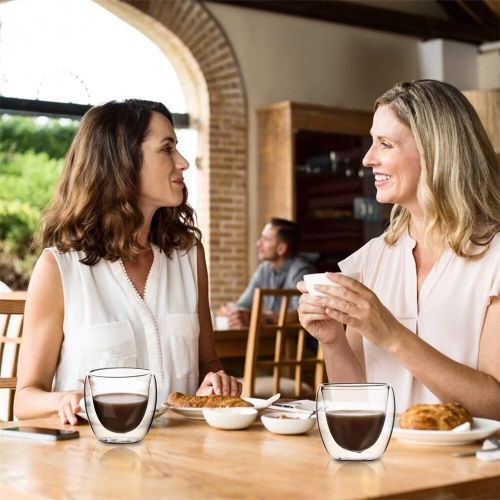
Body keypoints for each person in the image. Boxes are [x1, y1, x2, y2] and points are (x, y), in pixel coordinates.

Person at [14, 99, 241, 425]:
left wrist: (216, 381)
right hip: (92, 463)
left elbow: (208, 361)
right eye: (167, 149)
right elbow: (25, 399)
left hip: (184, 461)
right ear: (122, 162)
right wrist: (62, 399)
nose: (183, 162)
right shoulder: (59, 269)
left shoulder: (189, 255)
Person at [297, 80, 500, 418]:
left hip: (471, 468)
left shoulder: (494, 257)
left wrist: (390, 334)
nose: (367, 158)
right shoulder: (373, 259)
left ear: (435, 151)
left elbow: (496, 404)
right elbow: (356, 405)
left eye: (385, 144)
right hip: (386, 464)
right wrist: (332, 340)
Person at [229, 218, 315, 328]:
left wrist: (263, 318)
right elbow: (243, 304)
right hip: (272, 339)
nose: (258, 243)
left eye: (265, 239)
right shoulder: (263, 270)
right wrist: (238, 314)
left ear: (281, 248)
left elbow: (302, 312)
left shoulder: (301, 270)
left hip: (295, 342)